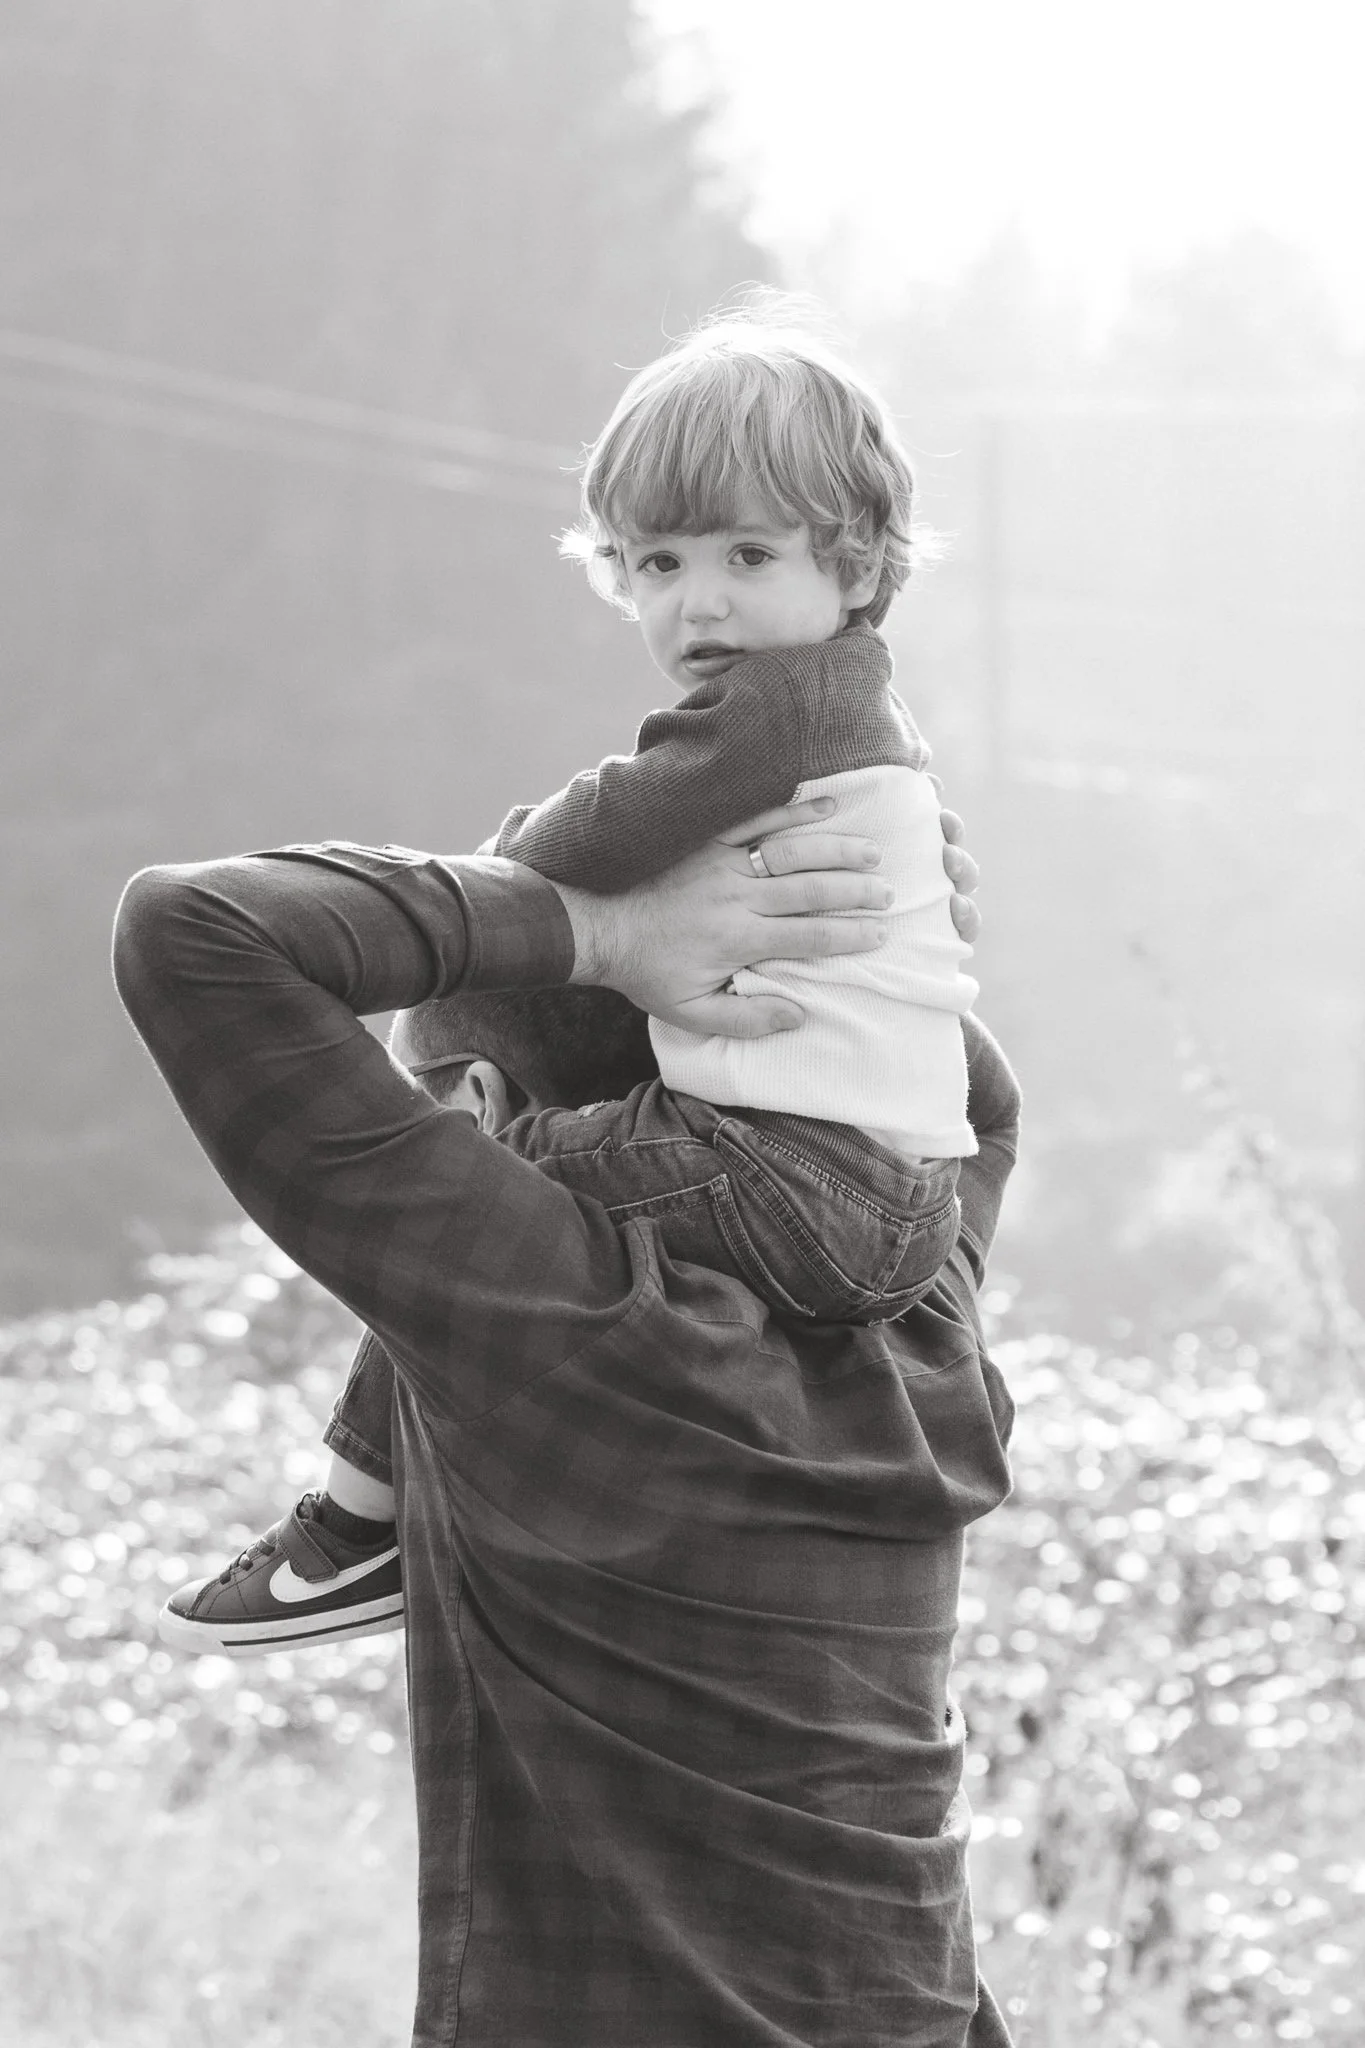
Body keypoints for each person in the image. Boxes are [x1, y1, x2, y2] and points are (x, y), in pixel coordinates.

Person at [157, 302, 987, 1655]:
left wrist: (493, 877)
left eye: (748, 553)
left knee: (463, 1190)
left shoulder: (779, 703)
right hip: (885, 1194)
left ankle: (355, 1521)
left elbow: (595, 834)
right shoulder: (857, 721)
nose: (698, 599)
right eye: (657, 560)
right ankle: (379, 1503)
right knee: (490, 1164)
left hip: (788, 1172)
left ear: (855, 565)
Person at [113, 811, 1018, 2046]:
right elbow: (981, 1104)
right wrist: (881, 910)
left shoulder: (561, 1319)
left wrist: (612, 931)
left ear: (480, 1101)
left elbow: (195, 928)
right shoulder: (924, 1316)